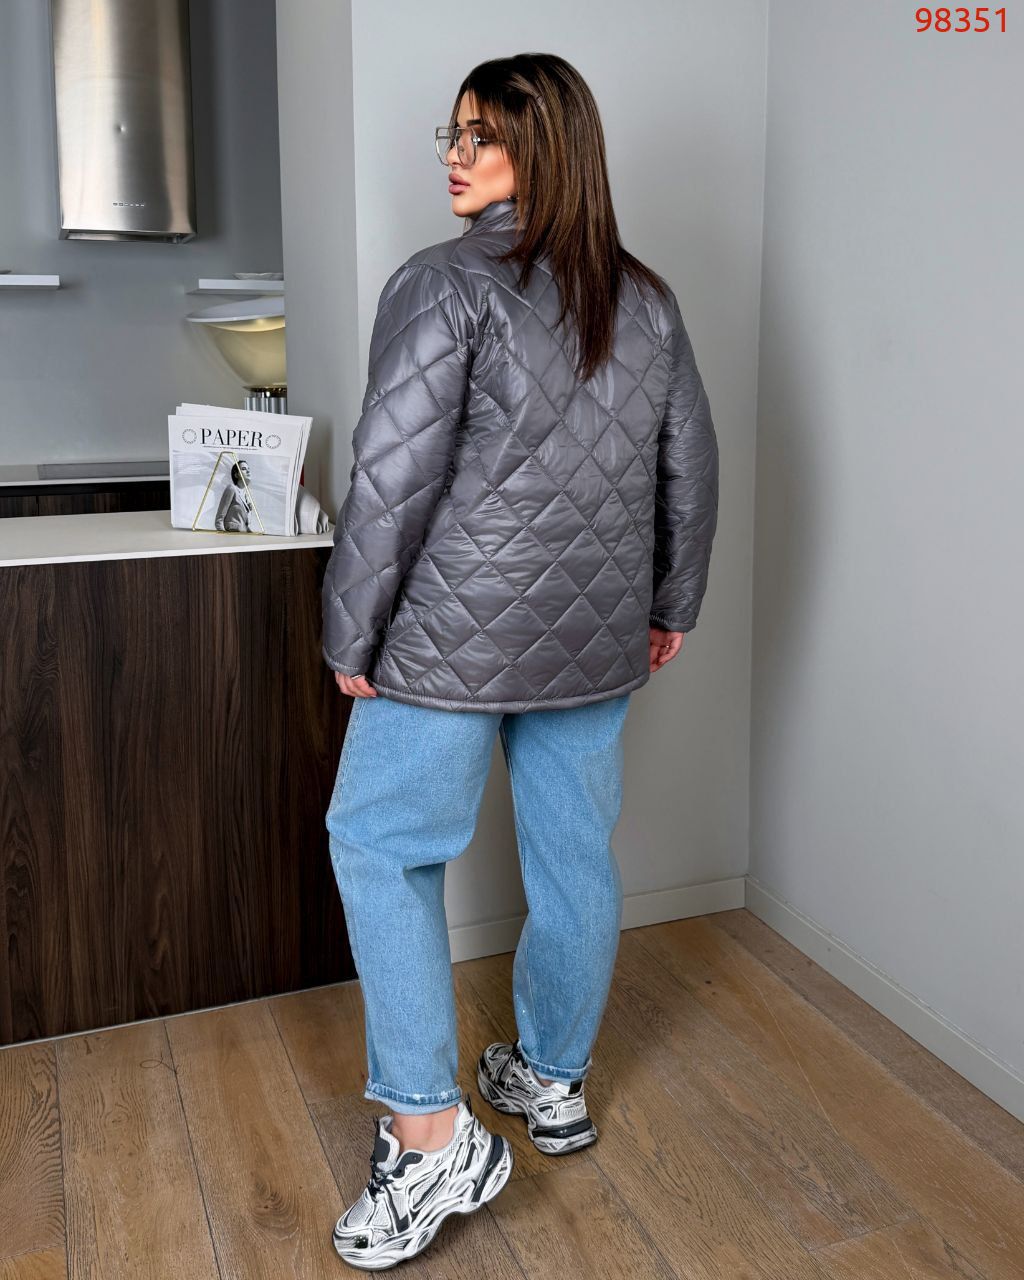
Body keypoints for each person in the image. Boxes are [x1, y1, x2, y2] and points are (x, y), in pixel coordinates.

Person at [321, 52, 719, 1270]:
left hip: (451, 639)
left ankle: (430, 1132)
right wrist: (670, 602)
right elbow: (689, 468)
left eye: (480, 137)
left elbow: (388, 482)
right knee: (574, 855)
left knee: (379, 843)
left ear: (544, 149)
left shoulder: (442, 285)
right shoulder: (644, 297)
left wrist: (349, 631)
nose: (454, 157)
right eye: (450, 135)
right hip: (596, 637)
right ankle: (550, 1078)